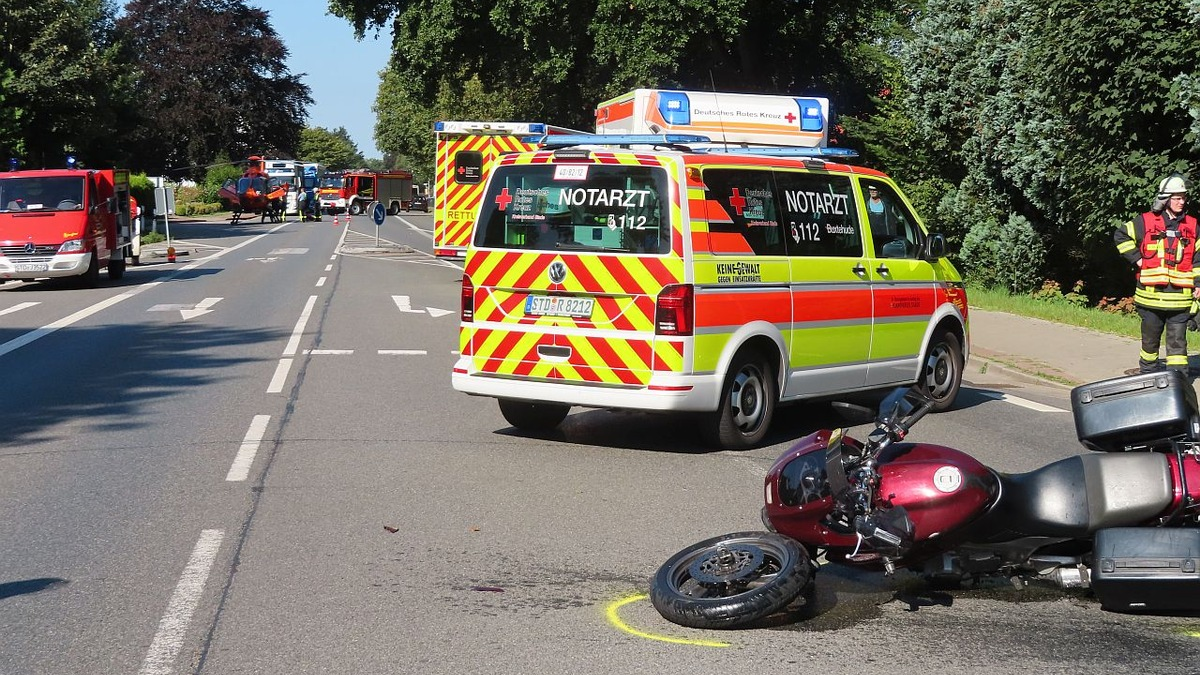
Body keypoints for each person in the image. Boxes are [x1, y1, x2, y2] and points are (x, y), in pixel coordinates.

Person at [1114, 174, 1200, 374]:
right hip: (1150, 299)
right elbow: (1120, 235)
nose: (1182, 202)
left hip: (1180, 300)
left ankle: (1179, 383)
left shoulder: (1193, 226)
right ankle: (1147, 376)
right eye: (1177, 197)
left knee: (1178, 345)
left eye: (1183, 197)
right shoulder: (1145, 221)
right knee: (1150, 343)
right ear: (1165, 198)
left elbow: (1198, 258)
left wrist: (1198, 283)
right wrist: (1138, 259)